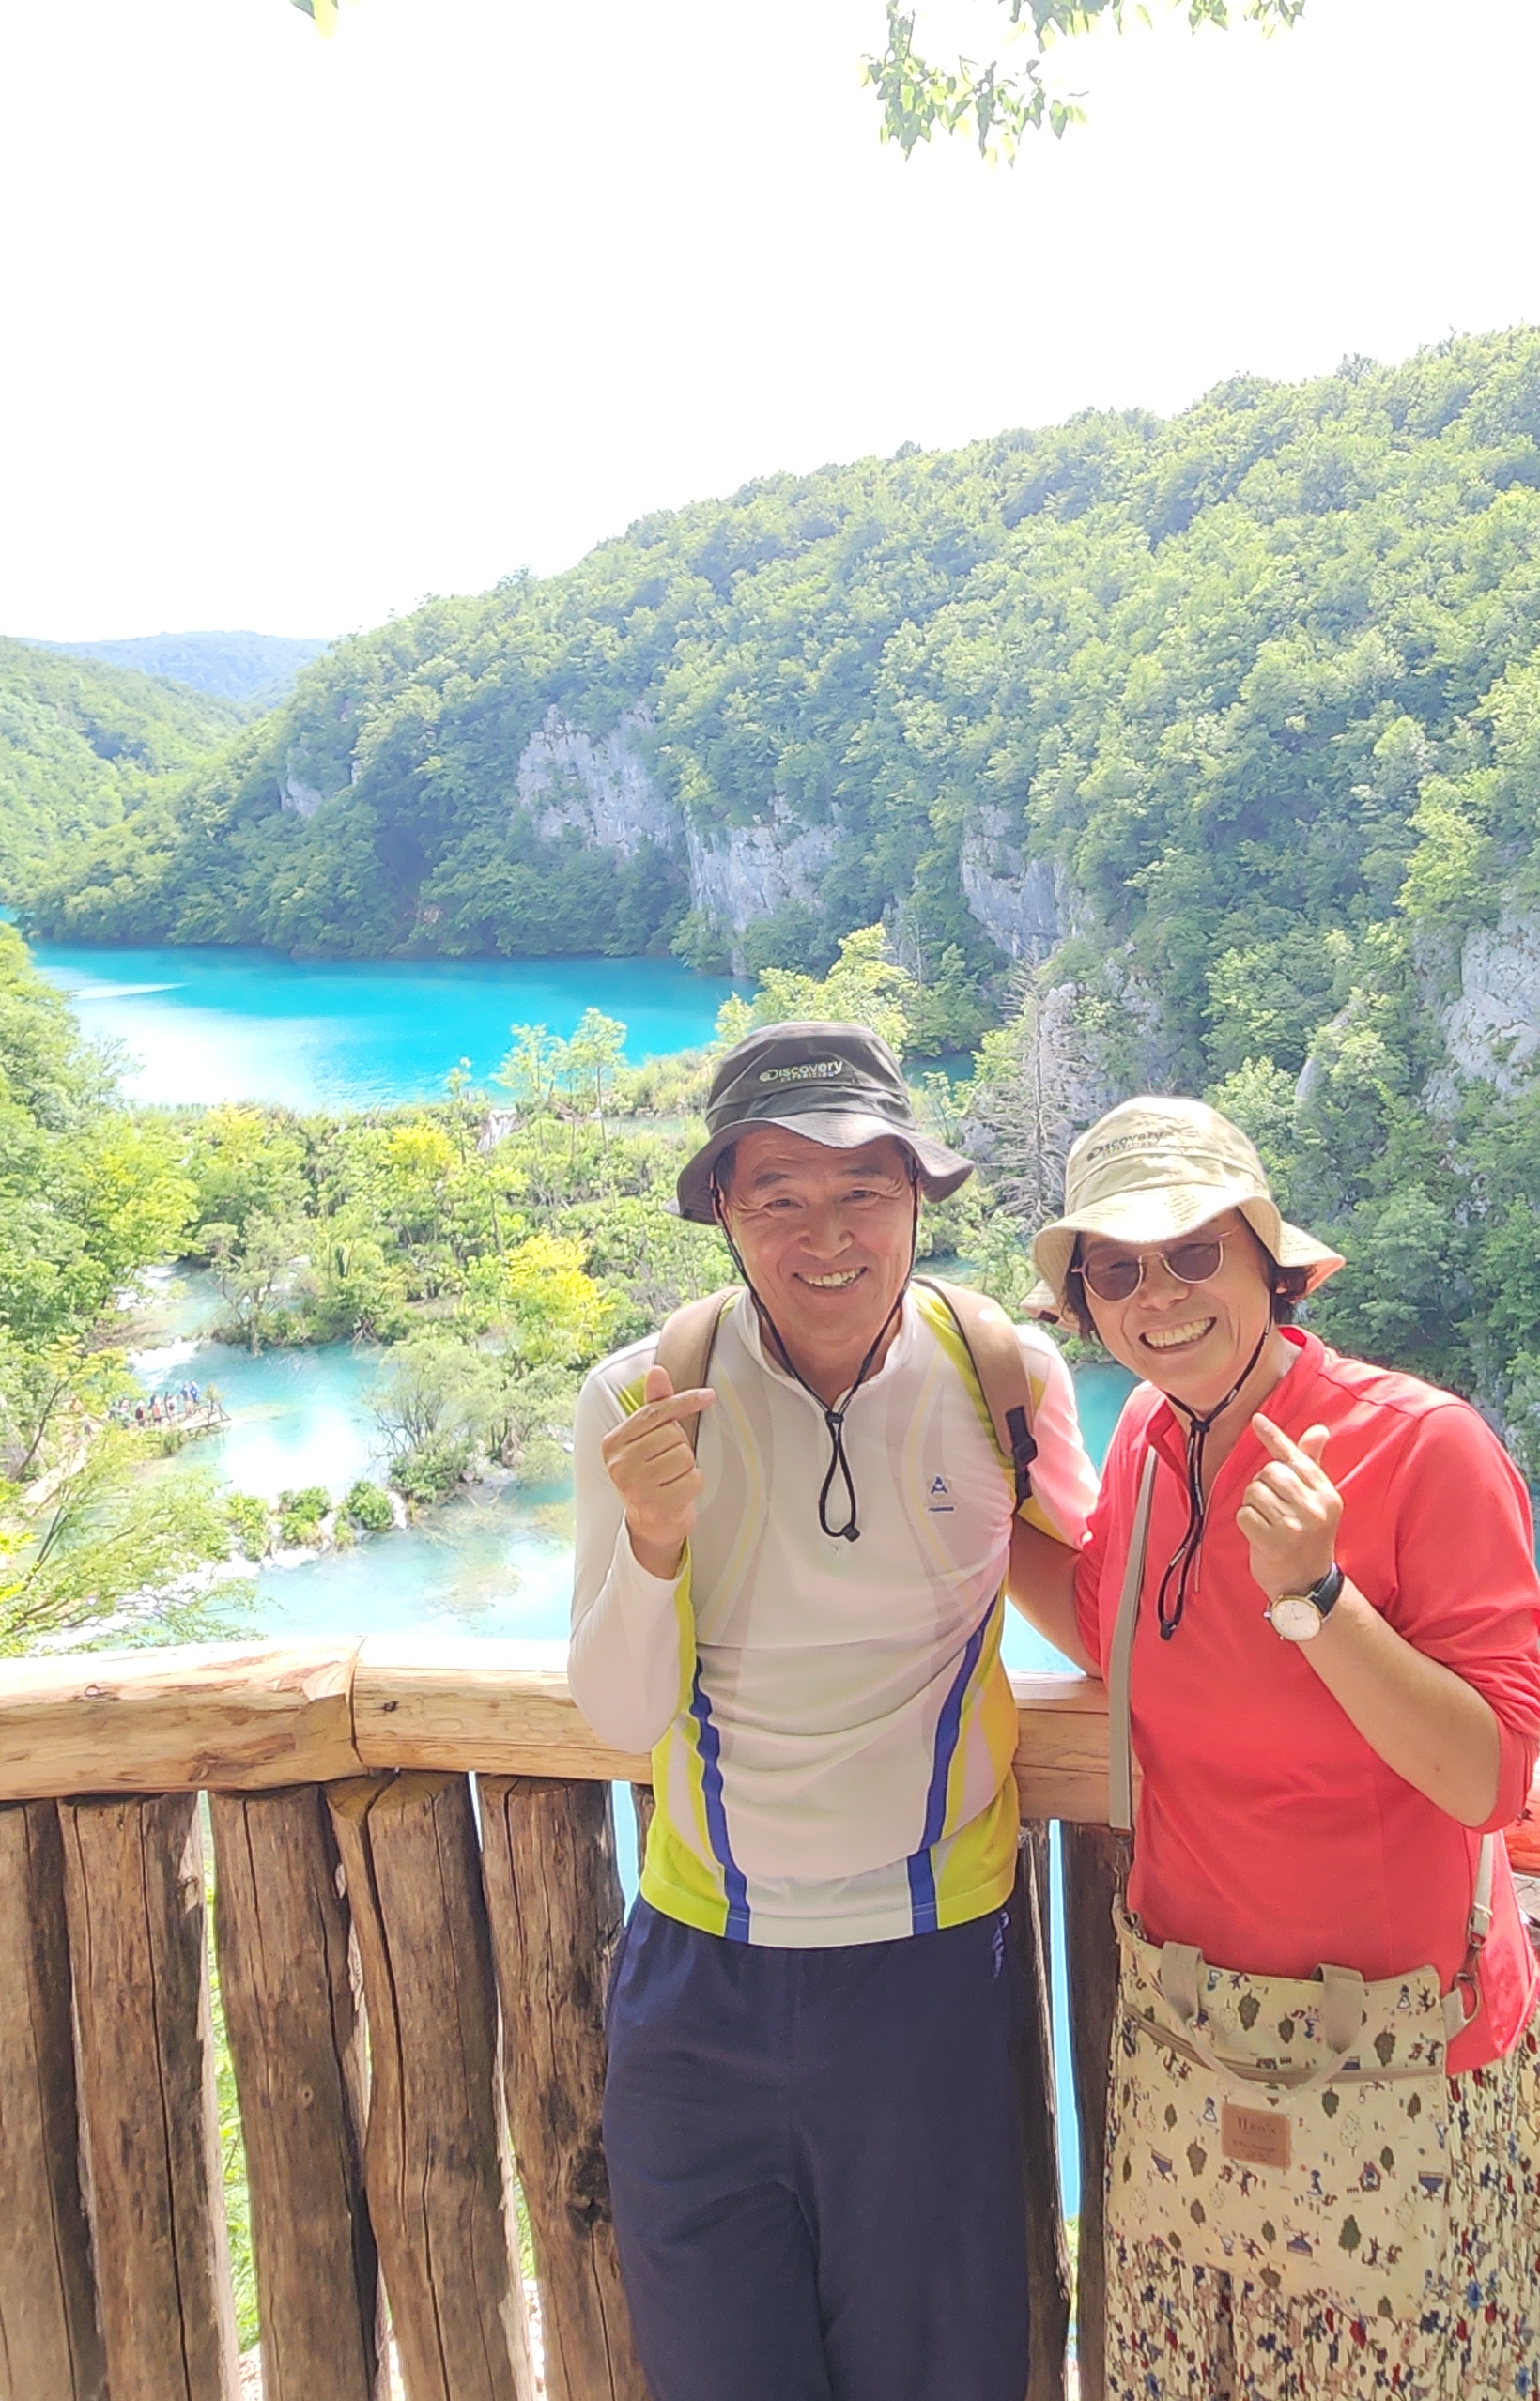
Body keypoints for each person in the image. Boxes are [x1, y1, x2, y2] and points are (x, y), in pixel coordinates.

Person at [569, 1019, 1096, 2401]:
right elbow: (620, 1714)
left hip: (931, 1968)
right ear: (724, 1214)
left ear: (918, 1197)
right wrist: (653, 1542)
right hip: (701, 1968)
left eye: (865, 1188)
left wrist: (1312, 1607)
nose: (828, 1238)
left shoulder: (1003, 1377)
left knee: (941, 2372)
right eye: (779, 1198)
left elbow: (1108, 1608)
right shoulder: (643, 1396)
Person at [1037, 1093, 1540, 2399]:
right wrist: (954, 1487)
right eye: (1118, 1270)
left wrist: (1319, 1599)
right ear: (1089, 1303)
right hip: (1196, 2044)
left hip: (1399, 2068)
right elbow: (1114, 1629)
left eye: (1192, 1252)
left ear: (1268, 1262)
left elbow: (1491, 1778)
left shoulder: (1423, 1446)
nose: (1160, 1296)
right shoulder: (1150, 1438)